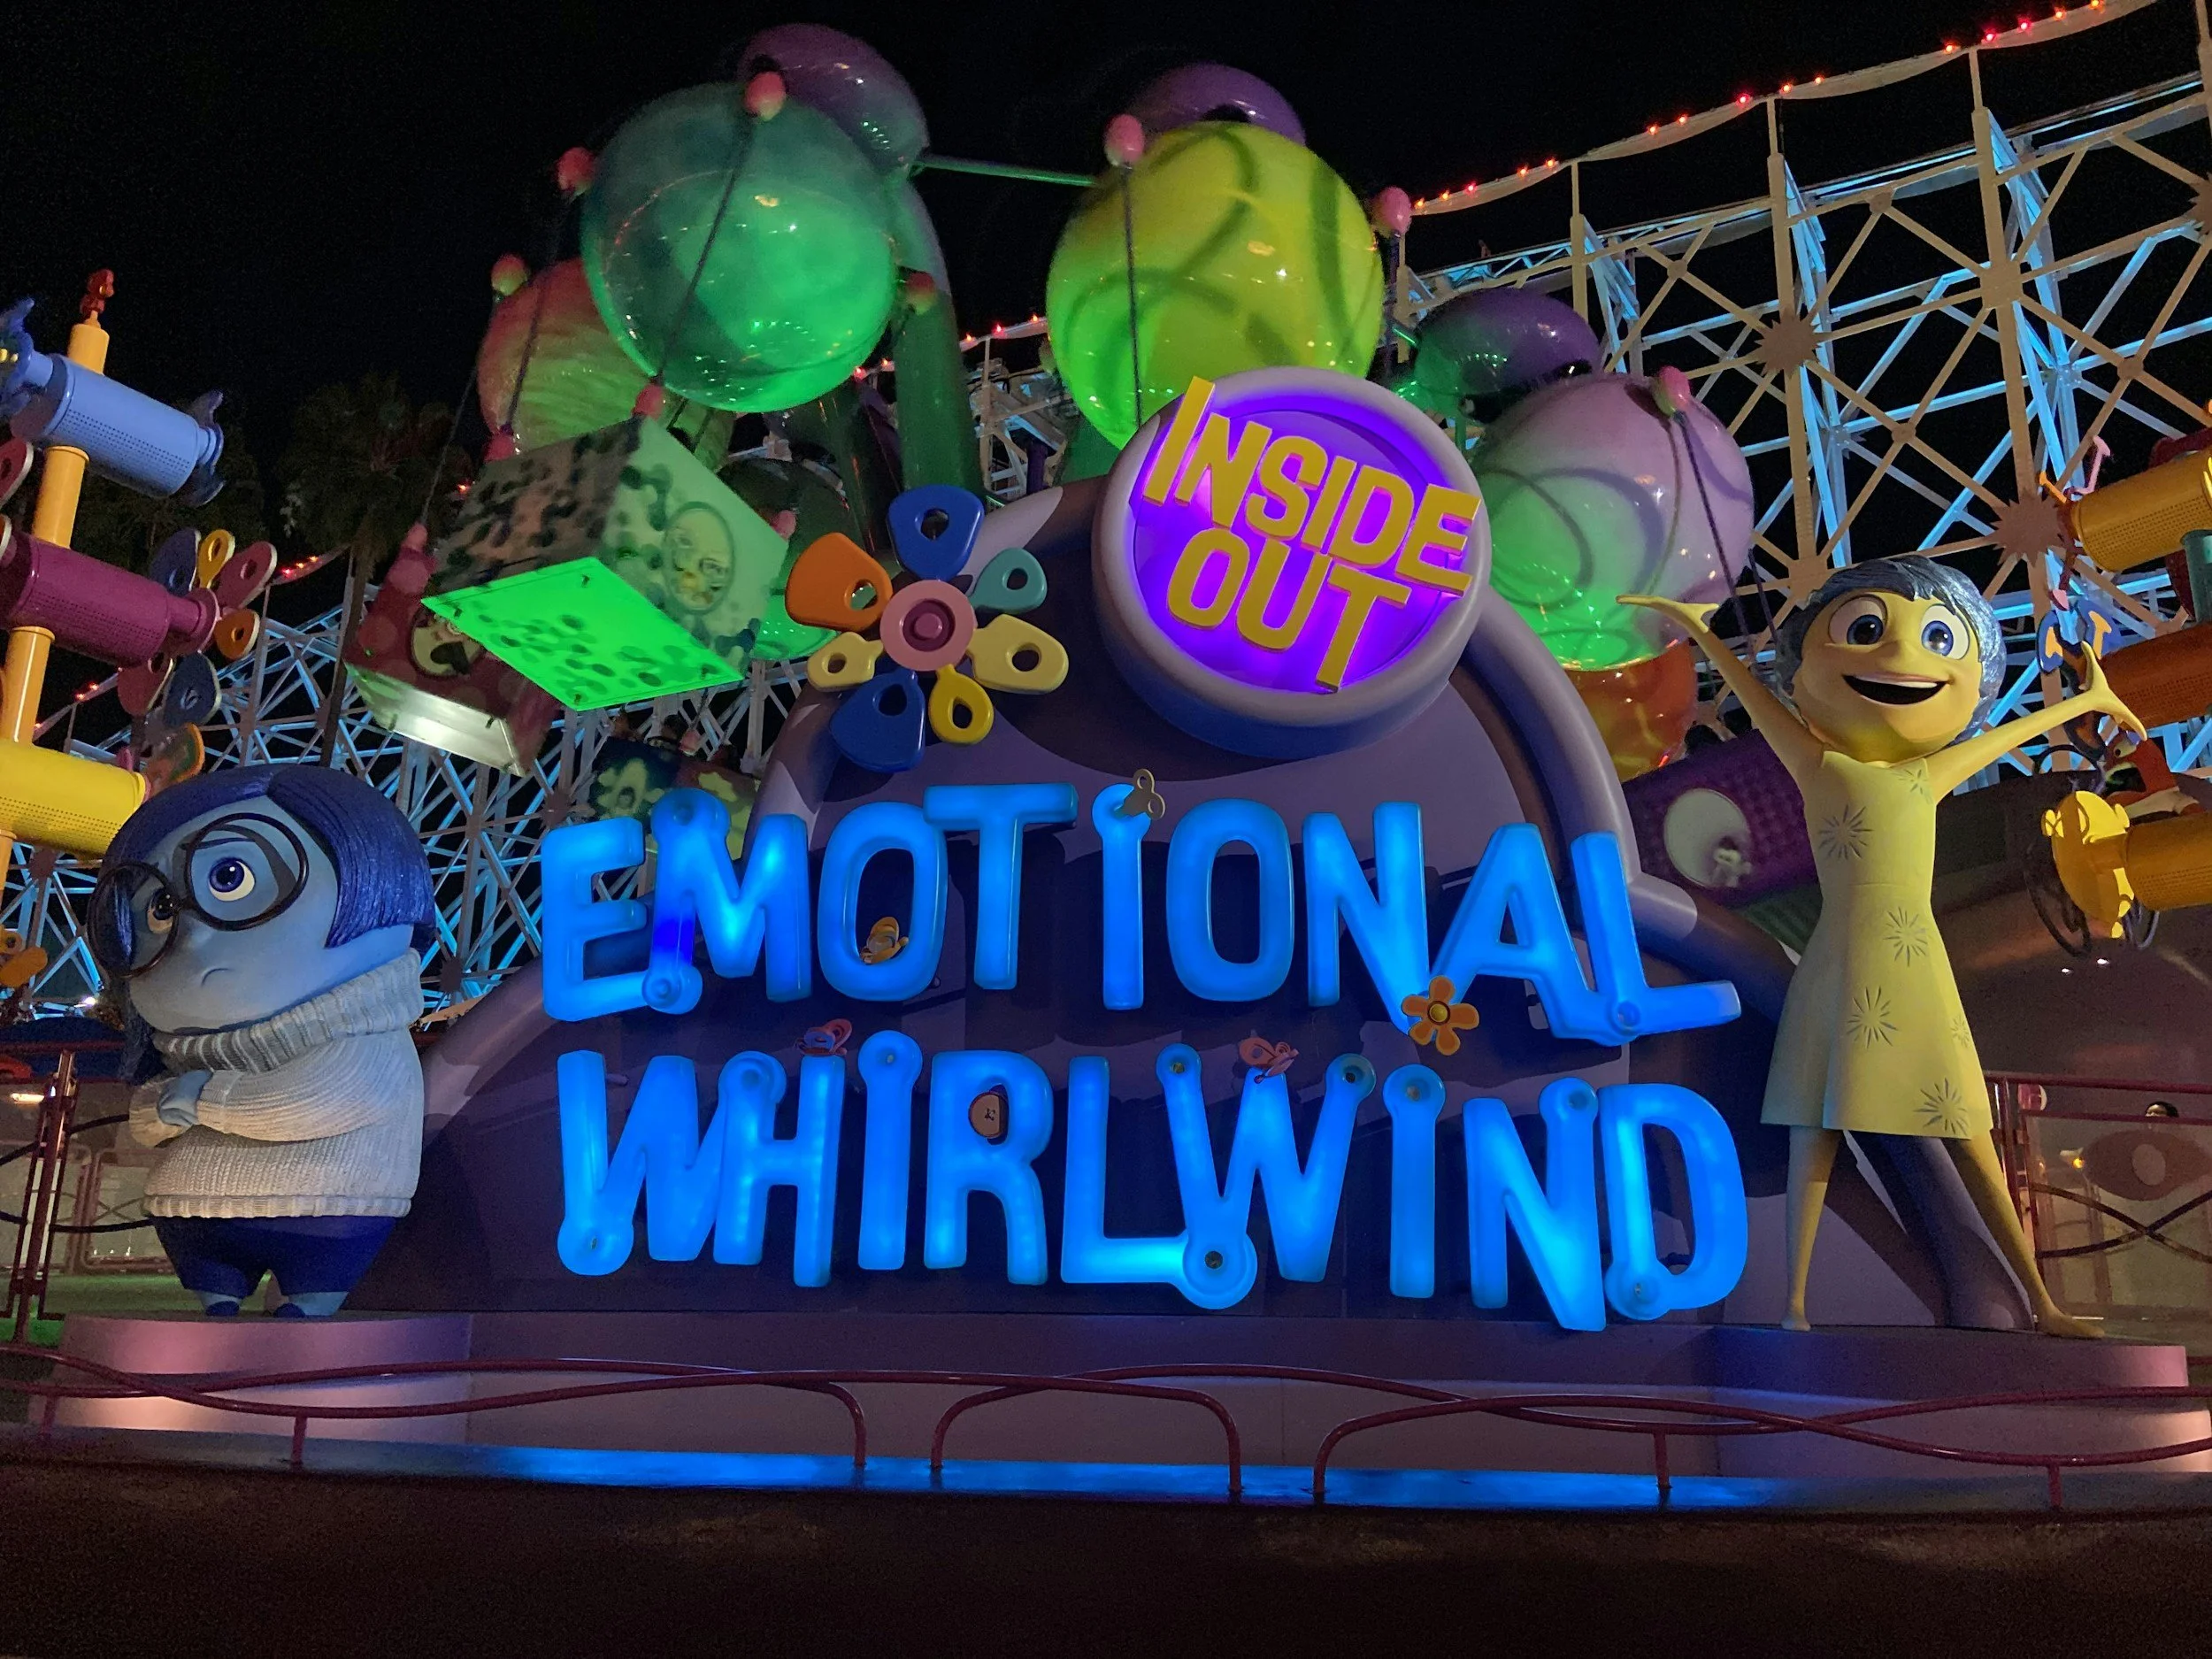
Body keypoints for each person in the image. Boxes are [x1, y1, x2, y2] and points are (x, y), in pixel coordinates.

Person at [1624, 557, 2145, 1337]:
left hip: (1912, 967)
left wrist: (2091, 699)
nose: (1902, 657)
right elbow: (1764, 710)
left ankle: (2042, 1301)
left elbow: (2009, 733)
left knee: (1964, 1132)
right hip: (1841, 964)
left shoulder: (1924, 776)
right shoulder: (1822, 765)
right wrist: (1703, 634)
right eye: (1867, 630)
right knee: (1818, 1130)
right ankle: (1795, 1303)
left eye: (1940, 638)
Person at [93, 765, 435, 1317]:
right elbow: (146, 1118)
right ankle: (223, 1304)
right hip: (191, 1214)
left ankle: (299, 1315)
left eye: (230, 877)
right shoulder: (180, 1054)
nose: (192, 932)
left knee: (302, 1320)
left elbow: (323, 1099)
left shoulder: (369, 1042)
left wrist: (200, 1100)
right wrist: (181, 1102)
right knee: (214, 1319)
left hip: (327, 1207)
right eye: (159, 909)